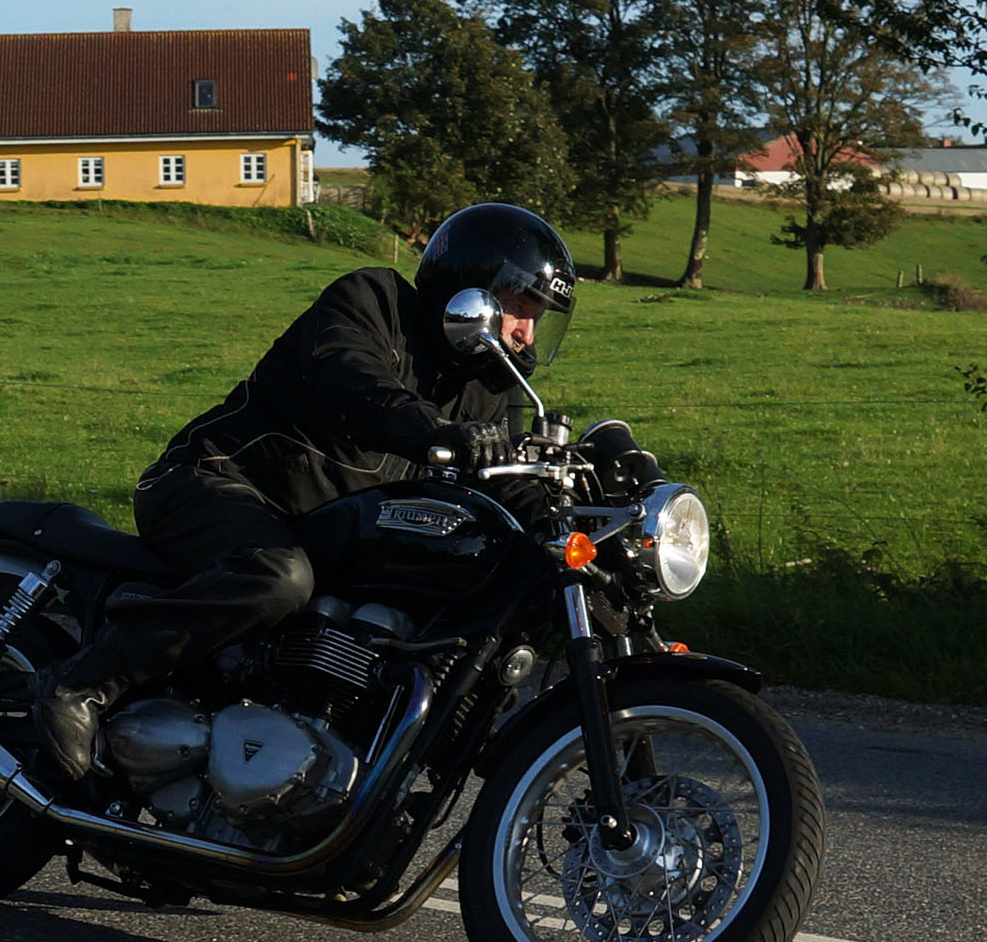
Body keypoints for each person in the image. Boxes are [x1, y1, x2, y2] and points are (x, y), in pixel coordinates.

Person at [33, 202, 578, 779]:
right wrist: (435, 431)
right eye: (520, 308)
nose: (527, 333)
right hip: (214, 481)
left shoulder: (488, 388)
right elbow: (354, 381)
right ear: (471, 290)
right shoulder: (373, 300)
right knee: (275, 575)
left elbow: (508, 479)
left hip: (320, 533)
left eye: (538, 317)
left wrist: (575, 521)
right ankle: (80, 684)